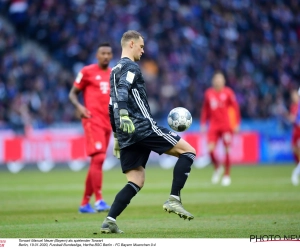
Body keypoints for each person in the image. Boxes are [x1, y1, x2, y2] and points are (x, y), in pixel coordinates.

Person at [100, 30, 196, 234]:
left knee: (136, 180)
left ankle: (110, 219)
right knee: (188, 151)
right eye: (141, 46)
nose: (143, 51)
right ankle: (174, 199)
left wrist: (117, 135)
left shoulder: (113, 70)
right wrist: (125, 114)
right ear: (131, 44)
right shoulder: (131, 67)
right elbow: (125, 88)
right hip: (143, 126)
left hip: (126, 133)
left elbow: (111, 104)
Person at [69, 43, 113, 213]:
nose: (106, 56)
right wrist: (79, 107)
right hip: (91, 120)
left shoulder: (113, 74)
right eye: (103, 53)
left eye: (109, 53)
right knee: (100, 158)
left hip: (108, 122)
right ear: (97, 55)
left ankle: (84, 203)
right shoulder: (87, 71)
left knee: (97, 161)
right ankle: (99, 200)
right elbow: (72, 93)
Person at [200, 71, 240, 186]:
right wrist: (203, 123)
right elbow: (205, 109)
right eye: (216, 79)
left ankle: (227, 175)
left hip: (226, 126)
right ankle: (218, 168)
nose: (218, 81)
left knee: (227, 150)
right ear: (213, 81)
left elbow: (235, 108)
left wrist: (236, 123)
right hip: (213, 125)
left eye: (220, 79)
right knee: (210, 150)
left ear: (224, 81)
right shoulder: (209, 93)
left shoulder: (228, 92)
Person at [288, 89, 300, 186]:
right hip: (295, 131)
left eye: (295, 95)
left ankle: (296, 173)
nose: (294, 97)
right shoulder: (293, 106)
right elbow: (293, 119)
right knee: (294, 150)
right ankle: (297, 168)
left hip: (299, 131)